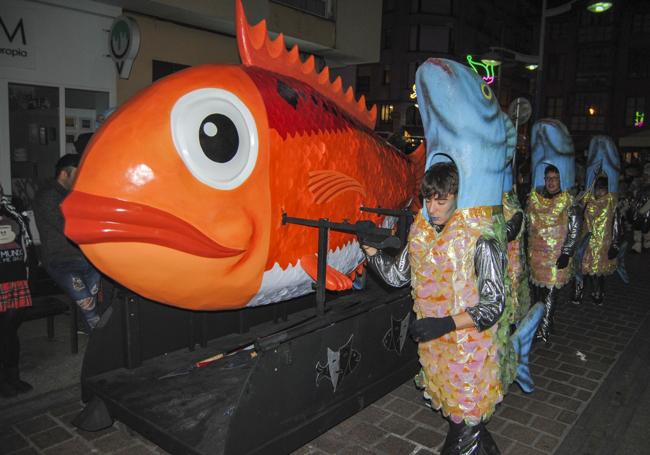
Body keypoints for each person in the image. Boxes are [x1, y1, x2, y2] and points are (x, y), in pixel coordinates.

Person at [363, 162, 511, 454]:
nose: (433, 208)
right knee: (470, 430)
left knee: (463, 430)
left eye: (441, 200)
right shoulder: (421, 235)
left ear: (458, 198)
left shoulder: (482, 241)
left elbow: (494, 304)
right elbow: (398, 276)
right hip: (438, 355)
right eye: (428, 199)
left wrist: (445, 324)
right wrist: (370, 250)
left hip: (471, 356)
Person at [33, 154, 101, 331]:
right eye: (76, 175)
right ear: (64, 174)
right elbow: (67, 227)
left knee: (96, 298)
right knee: (88, 305)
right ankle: (102, 342)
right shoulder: (48, 195)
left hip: (84, 258)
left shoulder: (72, 194)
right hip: (61, 261)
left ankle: (88, 329)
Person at [527, 164, 581, 342]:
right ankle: (544, 323)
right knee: (537, 296)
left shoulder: (568, 200)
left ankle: (544, 330)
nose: (550, 182)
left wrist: (566, 253)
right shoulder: (535, 198)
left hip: (556, 258)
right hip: (536, 258)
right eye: (548, 178)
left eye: (554, 178)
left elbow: (574, 229)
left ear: (561, 179)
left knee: (550, 295)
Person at [0, 185, 34, 397]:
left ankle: (12, 377)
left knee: (9, 332)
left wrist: (31, 279)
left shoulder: (13, 213)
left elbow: (26, 248)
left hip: (16, 282)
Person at [571, 176, 621, 305]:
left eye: (602, 189)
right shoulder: (587, 199)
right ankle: (578, 292)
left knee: (598, 272)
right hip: (586, 242)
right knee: (581, 268)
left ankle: (598, 292)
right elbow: (575, 210)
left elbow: (616, 224)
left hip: (603, 244)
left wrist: (615, 244)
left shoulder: (611, 201)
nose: (599, 192)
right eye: (597, 189)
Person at [631, 163, 650, 253]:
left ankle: (647, 245)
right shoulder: (641, 185)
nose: (644, 176)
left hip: (647, 213)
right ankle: (637, 246)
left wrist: (642, 210)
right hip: (639, 212)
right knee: (637, 228)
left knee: (646, 229)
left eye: (646, 174)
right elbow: (636, 197)